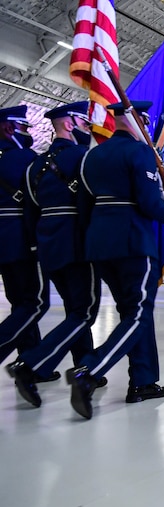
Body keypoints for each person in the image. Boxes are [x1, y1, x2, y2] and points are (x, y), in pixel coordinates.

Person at [66, 100, 164, 419]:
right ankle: (89, 372)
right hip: (132, 241)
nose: (147, 128)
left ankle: (143, 381)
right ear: (137, 120)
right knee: (138, 314)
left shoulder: (92, 155)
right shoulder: (140, 152)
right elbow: (150, 204)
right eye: (145, 122)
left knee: (133, 313)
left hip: (100, 244)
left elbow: (83, 207)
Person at [6, 102, 105, 407]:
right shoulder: (81, 157)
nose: (88, 127)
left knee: (75, 310)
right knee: (84, 311)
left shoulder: (36, 165)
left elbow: (30, 209)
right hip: (75, 242)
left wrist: (37, 245)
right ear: (70, 123)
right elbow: (94, 199)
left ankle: (86, 364)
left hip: (48, 245)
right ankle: (33, 364)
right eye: (84, 122)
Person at [0, 105, 49, 369]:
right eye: (23, 127)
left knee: (19, 302)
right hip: (20, 239)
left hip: (2, 243)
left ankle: (32, 360)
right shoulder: (23, 157)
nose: (28, 133)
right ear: (9, 128)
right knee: (33, 302)